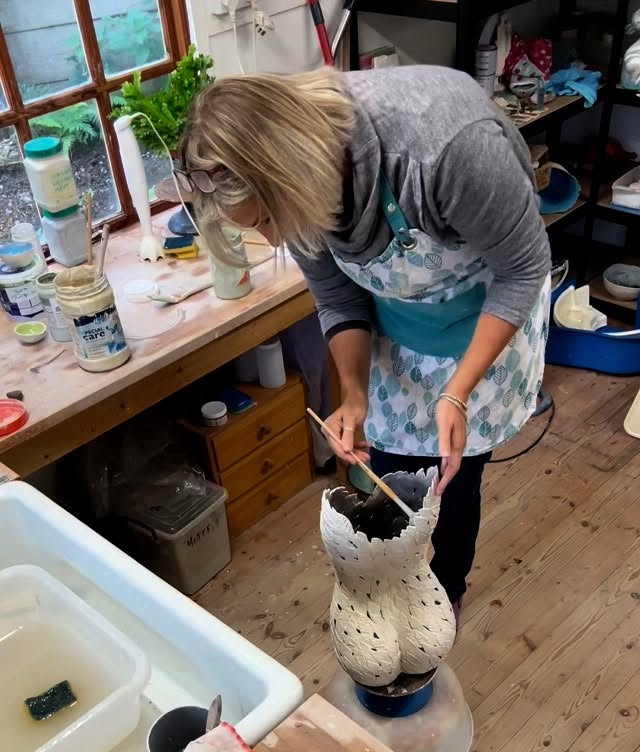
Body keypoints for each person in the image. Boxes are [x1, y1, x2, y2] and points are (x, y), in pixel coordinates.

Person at [179, 65, 551, 614]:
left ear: (296, 174)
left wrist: (457, 391)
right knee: (397, 474)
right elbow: (338, 299)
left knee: (456, 472)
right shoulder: (300, 194)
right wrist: (353, 394)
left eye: (267, 220)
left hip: (485, 319)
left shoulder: (447, 148)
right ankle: (400, 577)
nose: (273, 238)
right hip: (398, 329)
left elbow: (523, 268)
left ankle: (448, 588)